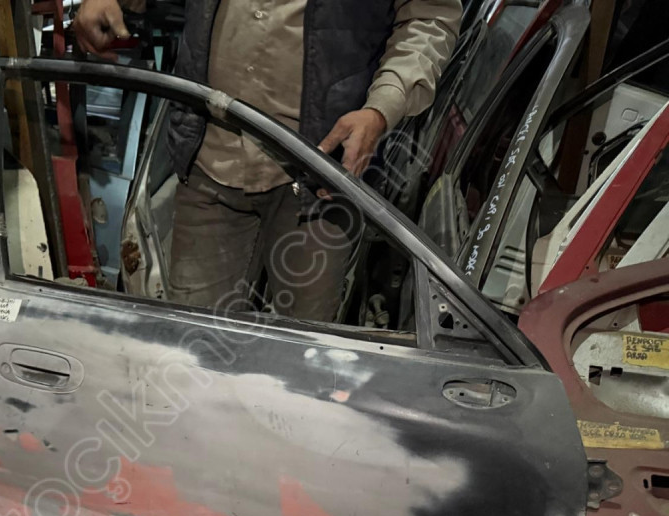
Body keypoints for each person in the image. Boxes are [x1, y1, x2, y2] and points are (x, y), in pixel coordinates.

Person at [75, 0, 462, 322]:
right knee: (193, 349)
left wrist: (381, 108)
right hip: (212, 160)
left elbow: (429, 17)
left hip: (321, 179)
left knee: (302, 358)